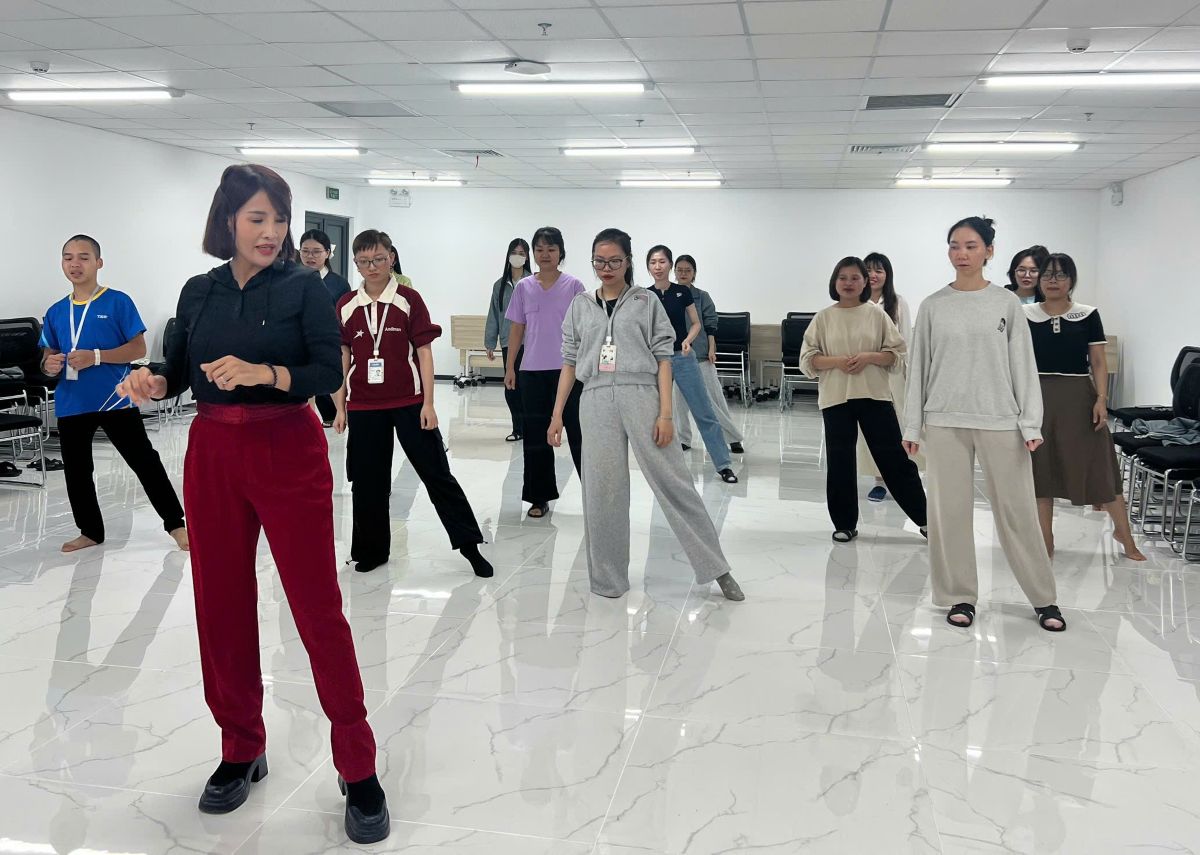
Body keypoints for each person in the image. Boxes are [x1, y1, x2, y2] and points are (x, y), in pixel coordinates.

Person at [117, 164, 390, 843]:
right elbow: (179, 368)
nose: (270, 232)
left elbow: (327, 372)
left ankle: (358, 765)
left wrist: (265, 373)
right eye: (256, 218)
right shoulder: (199, 290)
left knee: (317, 607)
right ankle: (241, 745)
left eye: (279, 219)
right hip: (213, 449)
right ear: (228, 221)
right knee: (221, 603)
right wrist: (153, 380)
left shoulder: (305, 287)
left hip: (287, 446)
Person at [550, 228, 744, 601]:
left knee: (674, 482)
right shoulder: (580, 304)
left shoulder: (645, 300)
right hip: (594, 398)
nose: (606, 268)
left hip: (641, 393)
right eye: (599, 261)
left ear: (628, 262)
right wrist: (557, 414)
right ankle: (608, 579)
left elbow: (664, 357)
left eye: (614, 261)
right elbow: (570, 361)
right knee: (602, 490)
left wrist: (666, 413)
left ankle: (717, 568)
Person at [903, 217, 1064, 633]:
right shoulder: (933, 305)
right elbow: (918, 367)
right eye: (954, 245)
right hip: (944, 420)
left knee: (1017, 511)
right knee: (949, 513)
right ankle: (960, 595)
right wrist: (912, 426)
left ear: (989, 251)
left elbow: (1023, 366)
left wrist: (1030, 424)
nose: (961, 254)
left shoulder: (1006, 304)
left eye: (971, 246)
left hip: (1000, 419)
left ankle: (1043, 597)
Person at [332, 229, 493, 578]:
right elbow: (342, 356)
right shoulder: (346, 304)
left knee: (436, 473)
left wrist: (429, 403)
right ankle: (371, 550)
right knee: (367, 481)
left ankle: (470, 545)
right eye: (364, 261)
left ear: (391, 258)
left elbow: (424, 352)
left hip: (409, 401)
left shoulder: (408, 299)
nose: (372, 267)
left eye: (378, 259)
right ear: (356, 263)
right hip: (364, 405)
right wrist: (340, 406)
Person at [39, 235, 188, 554]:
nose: (75, 264)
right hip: (72, 402)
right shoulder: (55, 311)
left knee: (145, 462)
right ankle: (90, 531)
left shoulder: (117, 302)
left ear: (98, 263)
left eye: (83, 257)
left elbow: (138, 348)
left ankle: (176, 524)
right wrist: (48, 365)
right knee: (77, 471)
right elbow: (48, 356)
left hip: (115, 399)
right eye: (68, 257)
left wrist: (96, 357)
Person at [1025, 252, 1146, 561]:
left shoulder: (1087, 314)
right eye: (1047, 274)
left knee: (1100, 464)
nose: (1053, 280)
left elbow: (1098, 361)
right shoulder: (1025, 315)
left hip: (1080, 396)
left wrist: (1101, 399)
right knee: (1041, 468)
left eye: (1061, 275)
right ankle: (1045, 540)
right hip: (1036, 397)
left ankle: (1125, 535)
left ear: (1071, 280)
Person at [799, 256, 928, 543]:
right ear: (834, 282)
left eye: (855, 278)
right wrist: (837, 362)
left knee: (894, 459)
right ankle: (844, 523)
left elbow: (897, 354)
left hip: (874, 395)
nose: (849, 283)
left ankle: (926, 519)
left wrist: (869, 357)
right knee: (840, 462)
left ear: (864, 283)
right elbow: (808, 360)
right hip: (836, 398)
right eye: (843, 277)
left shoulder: (876, 315)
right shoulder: (823, 317)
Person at [504, 226, 585, 518]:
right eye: (539, 249)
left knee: (579, 434)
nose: (545, 254)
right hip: (532, 371)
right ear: (533, 254)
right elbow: (517, 329)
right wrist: (511, 366)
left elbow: (585, 330)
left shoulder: (574, 286)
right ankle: (538, 498)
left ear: (560, 252)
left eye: (551, 249)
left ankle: (594, 495)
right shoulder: (524, 287)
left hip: (569, 371)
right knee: (536, 437)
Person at [645, 245, 737, 484]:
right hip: (656, 361)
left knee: (704, 411)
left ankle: (723, 465)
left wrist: (688, 340)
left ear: (670, 265)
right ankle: (663, 468)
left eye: (662, 262)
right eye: (653, 262)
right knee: (658, 414)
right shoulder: (644, 295)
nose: (658, 267)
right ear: (648, 266)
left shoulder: (682, 292)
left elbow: (696, 323)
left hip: (683, 357)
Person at [858, 251, 918, 503]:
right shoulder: (856, 303)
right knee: (873, 430)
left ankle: (905, 476)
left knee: (900, 427)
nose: (873, 275)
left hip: (894, 374)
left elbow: (906, 343)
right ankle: (879, 481)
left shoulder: (898, 303)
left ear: (887, 275)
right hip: (865, 375)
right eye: (868, 270)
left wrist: (910, 377)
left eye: (878, 270)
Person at [671, 254, 745, 455]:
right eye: (680, 270)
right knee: (678, 401)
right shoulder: (669, 295)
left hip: (702, 353)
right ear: (674, 272)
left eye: (687, 270)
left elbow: (711, 324)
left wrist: (712, 348)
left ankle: (733, 438)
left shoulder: (702, 296)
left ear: (694, 273)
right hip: (677, 355)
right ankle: (683, 439)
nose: (683, 273)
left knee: (714, 399)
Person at [298, 228, 351, 426]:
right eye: (305, 251)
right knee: (306, 388)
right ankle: (309, 422)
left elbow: (344, 316)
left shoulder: (339, 284)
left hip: (330, 343)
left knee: (332, 382)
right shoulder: (292, 280)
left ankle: (339, 415)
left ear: (327, 253)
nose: (310, 256)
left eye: (316, 252)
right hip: (300, 343)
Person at [485, 238, 531, 442]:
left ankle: (532, 426)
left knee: (528, 386)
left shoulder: (533, 282)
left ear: (527, 257)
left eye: (522, 253)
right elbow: (494, 313)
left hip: (530, 342)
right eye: (514, 252)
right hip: (508, 342)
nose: (517, 257)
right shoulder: (500, 285)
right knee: (511, 386)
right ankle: (518, 428)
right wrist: (490, 342)